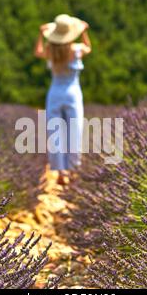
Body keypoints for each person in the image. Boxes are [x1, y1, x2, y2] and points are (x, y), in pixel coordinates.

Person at [34, 14, 92, 185]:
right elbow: (89, 47)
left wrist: (40, 34)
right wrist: (83, 31)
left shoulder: (51, 50)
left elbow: (37, 52)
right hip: (73, 93)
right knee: (74, 132)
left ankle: (60, 172)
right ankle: (73, 170)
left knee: (55, 133)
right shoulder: (76, 50)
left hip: (55, 93)